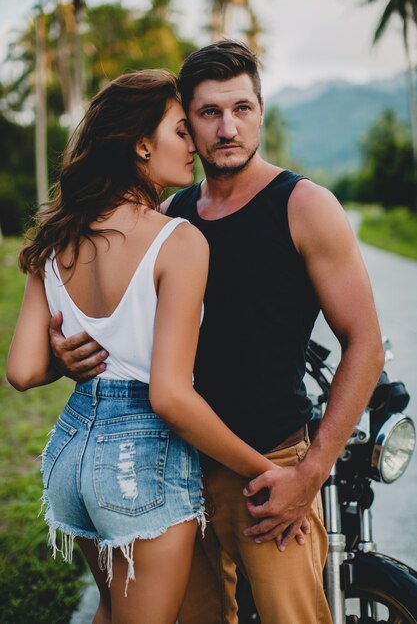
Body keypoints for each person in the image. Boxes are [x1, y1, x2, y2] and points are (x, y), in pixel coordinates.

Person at [47, 42, 384, 624]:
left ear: (260, 110)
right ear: (187, 123)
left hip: (270, 469)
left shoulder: (303, 206)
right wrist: (66, 354)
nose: (228, 128)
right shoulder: (172, 215)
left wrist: (308, 476)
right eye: (208, 113)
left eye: (243, 108)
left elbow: (366, 344)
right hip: (172, 469)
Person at [6, 69, 295, 624]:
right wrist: (267, 473)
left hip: (71, 452)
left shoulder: (58, 236)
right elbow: (169, 396)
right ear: (142, 143)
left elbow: (22, 371)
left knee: (115, 612)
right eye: (182, 131)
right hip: (139, 459)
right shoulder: (178, 240)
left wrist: (67, 364)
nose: (196, 146)